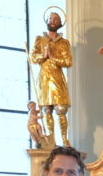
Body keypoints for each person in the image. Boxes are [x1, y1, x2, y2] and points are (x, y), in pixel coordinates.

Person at [30, 9, 72, 145]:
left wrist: (53, 57)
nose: (52, 21)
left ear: (60, 23)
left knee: (61, 109)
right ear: (47, 21)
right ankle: (51, 139)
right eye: (51, 18)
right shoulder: (39, 40)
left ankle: (65, 139)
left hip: (57, 77)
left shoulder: (64, 43)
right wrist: (43, 55)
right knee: (47, 109)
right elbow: (33, 57)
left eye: (56, 19)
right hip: (44, 79)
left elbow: (68, 62)